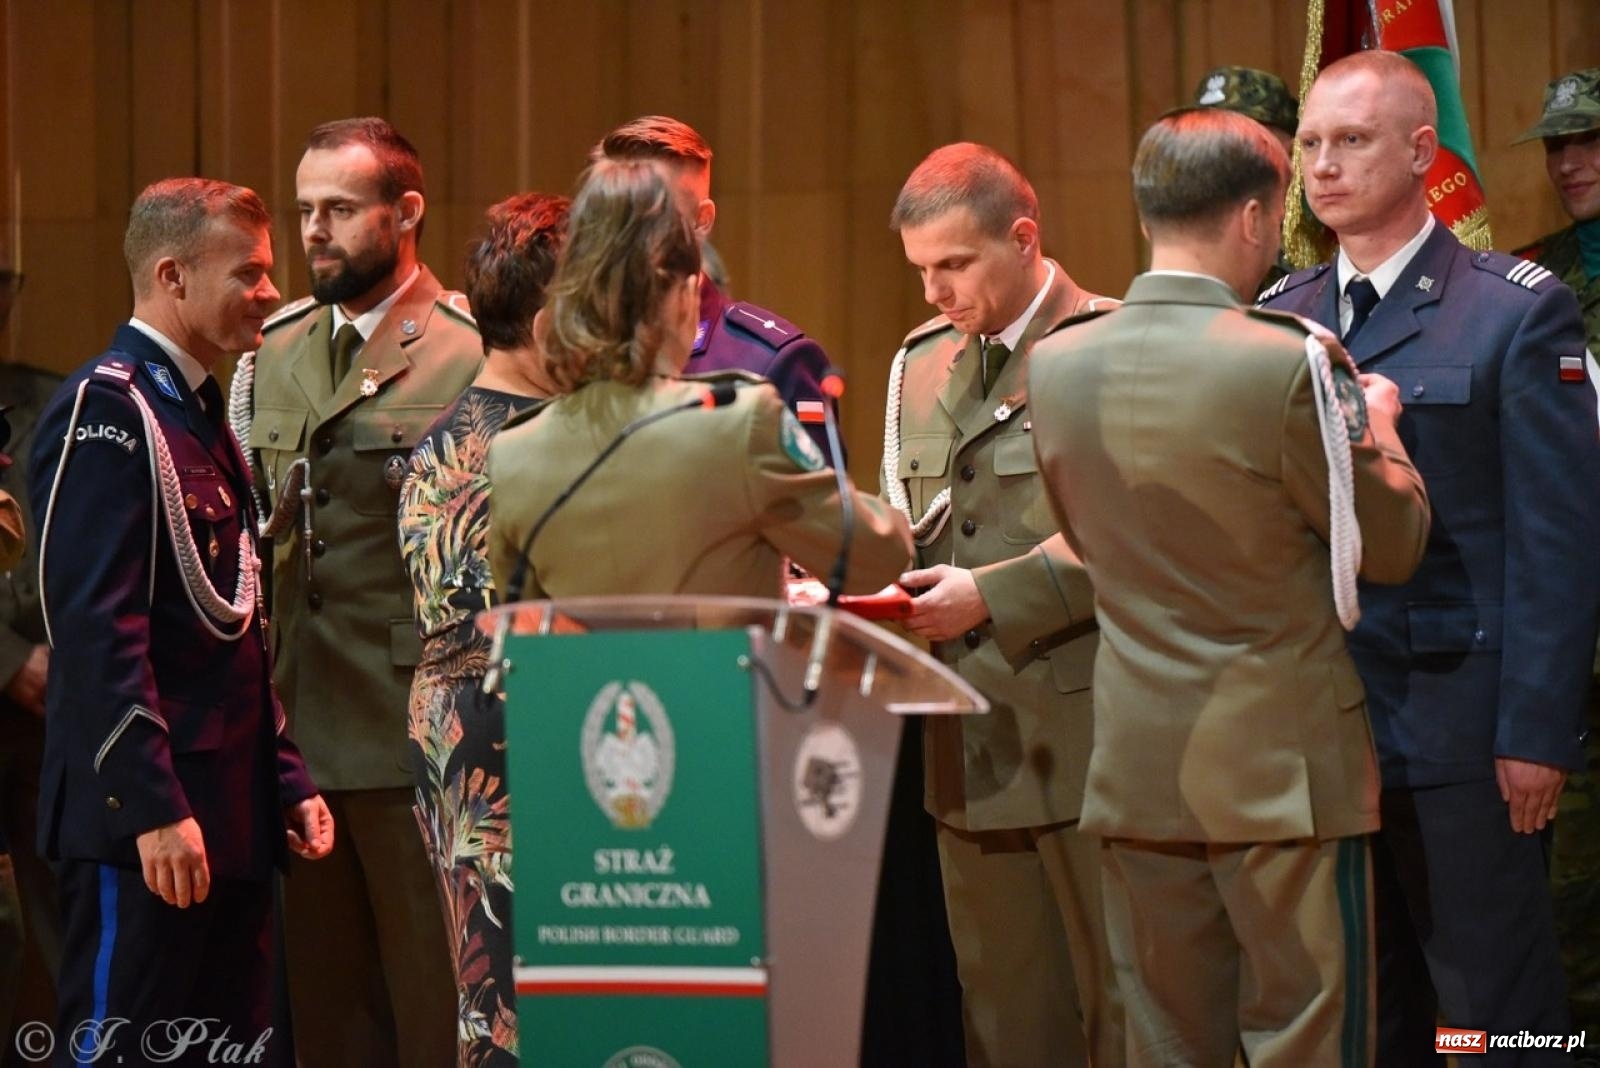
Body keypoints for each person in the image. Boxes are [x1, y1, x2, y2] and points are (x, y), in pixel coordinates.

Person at [1030, 106, 1431, 1065]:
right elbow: (1393, 545)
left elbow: (1086, 539)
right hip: (1279, 776)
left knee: (1167, 1040)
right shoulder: (1290, 361)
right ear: (1257, 219)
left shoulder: (1055, 364)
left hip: (1135, 767)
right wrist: (1377, 425)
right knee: (1304, 1037)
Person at [1262, 51, 1600, 1063]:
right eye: (1310, 145)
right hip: (1324, 730)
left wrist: (1537, 731)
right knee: (1373, 1011)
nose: (1322, 167)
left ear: (1421, 151)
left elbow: (1557, 541)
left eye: (1351, 141)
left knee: (1499, 1014)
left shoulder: (1512, 309)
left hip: (1466, 728)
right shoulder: (1281, 316)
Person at [28, 177, 333, 1066]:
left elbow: (235, 628)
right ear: (172, 276)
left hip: (225, 815)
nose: (272, 293)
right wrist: (150, 807)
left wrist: (283, 775)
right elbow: (95, 632)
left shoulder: (196, 412)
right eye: (250, 274)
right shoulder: (111, 414)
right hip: (148, 827)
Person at [232, 117, 477, 1066]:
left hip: (416, 732)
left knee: (433, 1011)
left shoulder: (466, 350)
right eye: (305, 211)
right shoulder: (275, 349)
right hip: (299, 733)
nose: (315, 230)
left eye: (340, 208)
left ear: (404, 211)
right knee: (329, 1021)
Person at [881, 141, 1122, 1068]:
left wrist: (992, 594)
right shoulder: (923, 365)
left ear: (1023, 239)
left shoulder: (1106, 348)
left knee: (1125, 1012)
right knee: (1007, 1027)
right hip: (969, 750)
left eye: (953, 265)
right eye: (920, 272)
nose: (934, 293)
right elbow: (913, 527)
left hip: (1091, 740)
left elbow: (1136, 537)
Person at [486, 160, 909, 605]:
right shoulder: (738, 422)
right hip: (725, 675)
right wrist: (896, 521)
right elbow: (871, 560)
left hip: (590, 678)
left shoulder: (515, 451)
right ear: (687, 298)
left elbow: (527, 623)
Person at [397, 190, 568, 1068]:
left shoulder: (436, 440)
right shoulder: (557, 447)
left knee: (490, 1000)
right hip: (531, 729)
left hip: (453, 729)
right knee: (545, 1000)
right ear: (549, 323)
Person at [1512, 64, 1600, 1052]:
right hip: (1572, 639)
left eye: (1587, 141)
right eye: (1557, 145)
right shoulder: (1529, 286)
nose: (1569, 162)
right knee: (1568, 895)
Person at [593, 116, 840, 458]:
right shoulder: (568, 350)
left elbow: (815, 508)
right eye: (613, 211)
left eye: (654, 213)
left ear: (702, 220)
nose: (627, 233)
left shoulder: (769, 361)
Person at [0, 240, 63, 1055]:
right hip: (19, 677)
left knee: (57, 935)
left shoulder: (47, 401)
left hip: (48, 717)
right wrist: (8, 659)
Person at [1194, 64, 1301, 292]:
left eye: (1242, 139)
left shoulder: (1315, 238)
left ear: (1291, 153)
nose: (1221, 155)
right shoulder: (1186, 233)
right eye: (1208, 139)